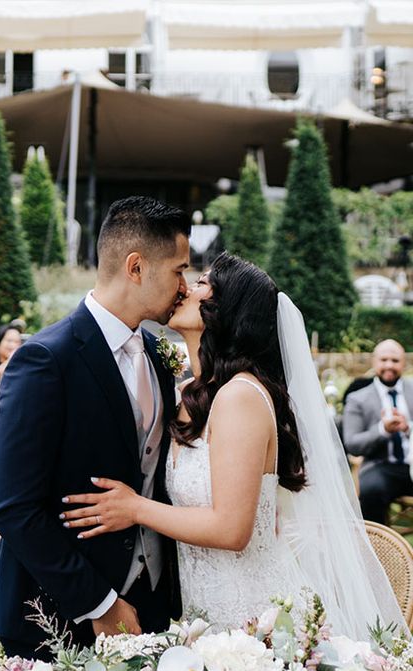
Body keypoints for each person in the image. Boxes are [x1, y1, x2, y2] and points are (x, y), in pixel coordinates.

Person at [61, 252, 406, 640]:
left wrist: (135, 508)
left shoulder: (240, 396)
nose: (186, 287)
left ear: (227, 309)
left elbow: (231, 529)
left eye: (203, 283)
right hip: (203, 613)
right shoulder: (185, 395)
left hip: (256, 618)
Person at [0, 196, 191, 658]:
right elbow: (14, 508)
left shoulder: (158, 355)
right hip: (58, 612)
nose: (185, 285)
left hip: (151, 601)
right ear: (136, 267)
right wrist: (99, 603)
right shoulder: (44, 359)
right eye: (179, 270)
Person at [343, 339, 413, 524]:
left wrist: (408, 428)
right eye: (383, 360)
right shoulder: (357, 399)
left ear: (404, 363)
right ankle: (379, 548)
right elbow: (352, 444)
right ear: (374, 362)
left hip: (412, 464)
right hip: (380, 467)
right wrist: (383, 430)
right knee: (371, 490)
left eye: (395, 360)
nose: (389, 365)